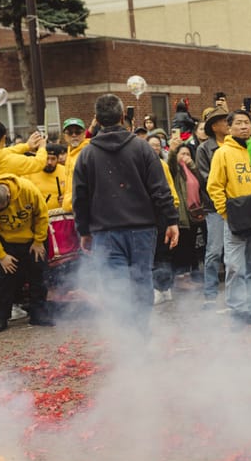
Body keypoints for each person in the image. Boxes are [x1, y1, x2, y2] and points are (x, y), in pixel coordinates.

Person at [72, 94, 179, 334]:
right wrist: (171, 220)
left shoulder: (86, 155)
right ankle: (139, 333)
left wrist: (84, 230)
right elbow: (160, 189)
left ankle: (127, 337)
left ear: (97, 120)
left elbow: (80, 198)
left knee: (115, 286)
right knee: (141, 280)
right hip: (142, 228)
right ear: (123, 117)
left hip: (105, 231)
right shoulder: (142, 148)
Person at [206, 110, 251, 328]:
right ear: (229, 127)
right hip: (236, 217)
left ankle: (250, 309)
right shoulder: (222, 153)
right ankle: (237, 311)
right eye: (239, 123)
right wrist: (226, 213)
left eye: (247, 122)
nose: (245, 126)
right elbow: (214, 186)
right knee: (235, 266)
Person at [0, 175, 53, 332]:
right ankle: (2, 317)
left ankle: (38, 314)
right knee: (4, 280)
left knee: (37, 277)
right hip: (8, 243)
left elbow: (42, 214)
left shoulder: (27, 190)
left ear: (9, 196)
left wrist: (39, 240)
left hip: (33, 240)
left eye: (2, 207)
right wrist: (1, 255)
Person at [196, 108, 230, 309]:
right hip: (215, 207)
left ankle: (238, 292)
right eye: (224, 121)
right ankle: (210, 293)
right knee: (214, 250)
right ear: (214, 126)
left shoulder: (235, 145)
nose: (228, 124)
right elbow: (206, 178)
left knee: (236, 252)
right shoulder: (204, 149)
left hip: (238, 206)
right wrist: (229, 190)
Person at [146, 136, 180, 304]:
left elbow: (170, 188)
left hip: (163, 213)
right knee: (154, 254)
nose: (154, 148)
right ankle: (158, 287)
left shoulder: (163, 165)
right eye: (151, 145)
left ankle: (164, 287)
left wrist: (173, 208)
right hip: (148, 214)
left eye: (157, 146)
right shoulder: (143, 165)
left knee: (163, 253)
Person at [167, 138, 206, 281]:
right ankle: (181, 277)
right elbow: (169, 164)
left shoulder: (191, 168)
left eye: (188, 154)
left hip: (195, 213)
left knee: (191, 246)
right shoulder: (175, 170)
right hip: (182, 213)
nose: (185, 157)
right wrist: (172, 150)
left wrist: (193, 165)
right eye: (182, 154)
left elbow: (202, 183)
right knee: (181, 246)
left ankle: (189, 276)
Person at [59, 118, 90, 213]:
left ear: (84, 134)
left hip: (84, 209)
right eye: (69, 132)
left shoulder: (87, 152)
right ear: (64, 136)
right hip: (72, 209)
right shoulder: (70, 153)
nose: (74, 135)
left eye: (78, 132)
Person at [26, 143, 67, 211]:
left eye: (53, 159)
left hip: (59, 216)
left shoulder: (65, 171)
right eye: (46, 158)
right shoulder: (30, 172)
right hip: (38, 215)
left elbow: (73, 193)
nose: (49, 162)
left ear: (58, 159)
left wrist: (67, 199)